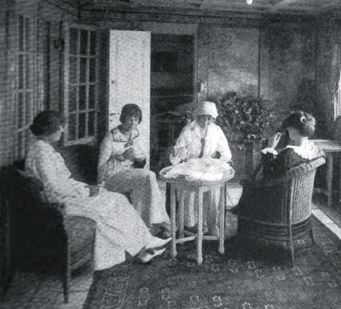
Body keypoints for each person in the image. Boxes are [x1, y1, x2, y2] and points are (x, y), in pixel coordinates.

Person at [25, 111, 169, 270]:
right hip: (60, 204)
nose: (63, 131)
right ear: (50, 129)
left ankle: (144, 242)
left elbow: (63, 182)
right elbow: (54, 187)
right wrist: (86, 191)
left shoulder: (44, 149)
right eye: (60, 128)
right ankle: (141, 249)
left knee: (117, 200)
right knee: (112, 204)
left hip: (68, 195)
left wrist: (87, 187)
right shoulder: (41, 153)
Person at [98, 104, 171, 237]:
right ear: (122, 118)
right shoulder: (110, 138)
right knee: (149, 176)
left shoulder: (135, 134)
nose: (133, 123)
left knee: (146, 183)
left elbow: (141, 162)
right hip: (112, 177)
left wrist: (140, 157)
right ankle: (159, 222)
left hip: (129, 174)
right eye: (130, 119)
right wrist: (120, 157)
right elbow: (101, 167)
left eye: (136, 120)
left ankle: (145, 227)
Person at [236, 110, 324, 215]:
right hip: (298, 200)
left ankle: (246, 219)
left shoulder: (289, 152)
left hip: (279, 202)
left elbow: (268, 175)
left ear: (294, 130)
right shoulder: (313, 148)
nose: (288, 130)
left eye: (289, 127)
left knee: (249, 185)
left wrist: (270, 148)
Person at [169, 101, 232, 235]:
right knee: (191, 185)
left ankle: (211, 224)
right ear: (197, 116)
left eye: (210, 118)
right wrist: (178, 153)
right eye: (203, 117)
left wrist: (217, 160)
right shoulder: (188, 130)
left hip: (209, 166)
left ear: (213, 118)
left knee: (213, 187)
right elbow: (178, 152)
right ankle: (189, 224)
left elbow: (226, 153)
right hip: (191, 166)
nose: (207, 121)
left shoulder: (216, 130)